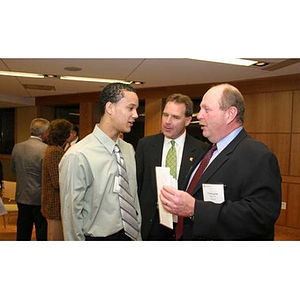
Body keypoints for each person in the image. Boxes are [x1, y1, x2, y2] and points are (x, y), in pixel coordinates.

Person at [160, 83, 282, 241]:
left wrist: (195, 208)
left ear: (230, 114)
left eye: (206, 109)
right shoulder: (207, 152)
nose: (199, 115)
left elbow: (260, 216)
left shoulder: (258, 156)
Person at [59, 82, 142, 241]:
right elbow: (71, 216)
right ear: (110, 108)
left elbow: (132, 196)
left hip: (129, 235)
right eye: (130, 108)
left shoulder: (128, 150)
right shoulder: (78, 156)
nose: (136, 115)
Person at [135, 93, 208, 240]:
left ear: (187, 120)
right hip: (151, 224)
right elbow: (137, 184)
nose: (168, 121)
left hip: (184, 225)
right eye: (165, 115)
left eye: (175, 117)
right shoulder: (146, 145)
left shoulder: (202, 150)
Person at [11, 118, 50, 241]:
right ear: (44, 133)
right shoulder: (46, 149)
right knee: (42, 232)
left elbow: (13, 169)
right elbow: (48, 175)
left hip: (22, 195)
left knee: (23, 232)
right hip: (40, 198)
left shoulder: (17, 147)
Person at [41, 119, 72, 240]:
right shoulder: (55, 152)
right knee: (55, 238)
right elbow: (57, 182)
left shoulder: (54, 149)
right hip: (54, 204)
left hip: (52, 204)